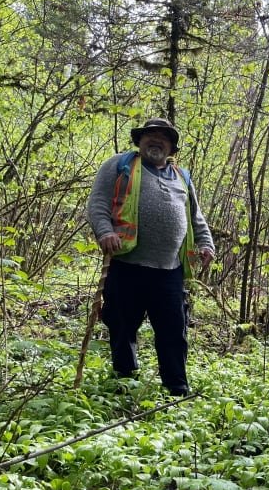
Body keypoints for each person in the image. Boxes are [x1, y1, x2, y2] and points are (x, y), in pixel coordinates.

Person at [87, 118, 215, 396]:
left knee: (173, 330)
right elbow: (97, 202)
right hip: (126, 263)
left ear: (171, 146)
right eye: (150, 136)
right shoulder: (119, 165)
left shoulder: (182, 176)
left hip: (169, 268)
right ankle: (124, 379)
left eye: (163, 137)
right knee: (122, 324)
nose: (156, 141)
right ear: (139, 140)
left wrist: (206, 244)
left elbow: (195, 217)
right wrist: (104, 232)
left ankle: (177, 388)